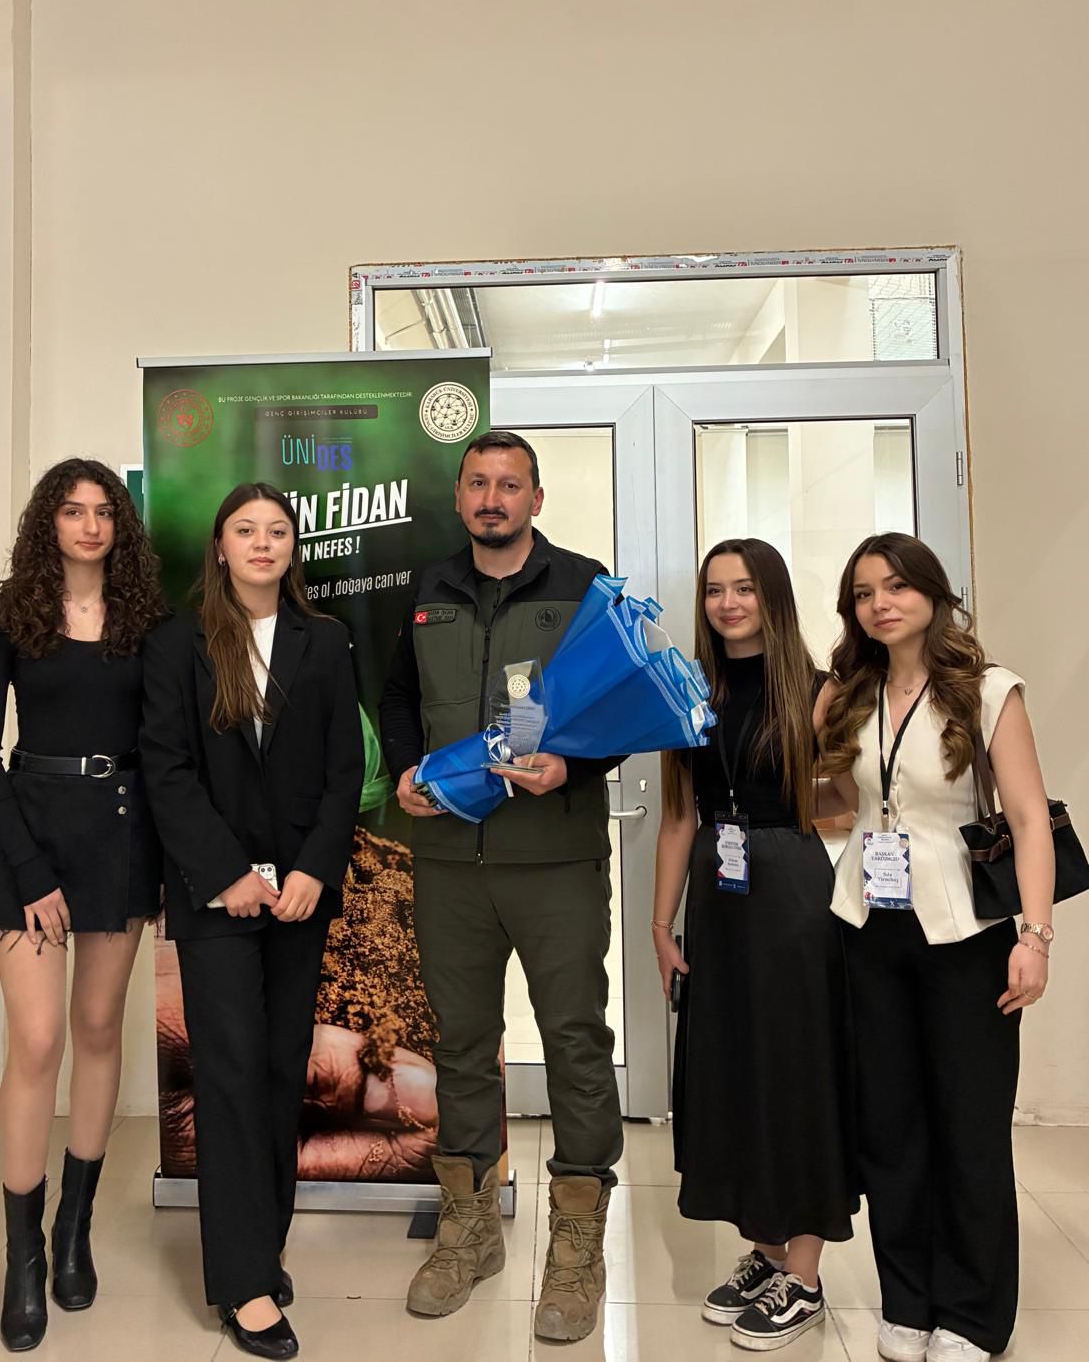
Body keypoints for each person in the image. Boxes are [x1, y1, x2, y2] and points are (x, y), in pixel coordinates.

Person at [378, 429, 623, 1343]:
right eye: (478, 483)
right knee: (463, 1045)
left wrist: (575, 766)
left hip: (555, 863)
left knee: (575, 1045)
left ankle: (577, 1249)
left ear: (536, 498)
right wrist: (405, 768)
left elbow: (620, 704)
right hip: (450, 863)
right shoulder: (424, 589)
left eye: (509, 484)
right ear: (458, 497)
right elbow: (395, 697)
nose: (492, 498)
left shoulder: (585, 585)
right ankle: (469, 1230)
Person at [817, 533, 1055, 1362]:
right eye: (863, 594)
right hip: (867, 926)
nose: (880, 604)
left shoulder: (989, 690)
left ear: (932, 593)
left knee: (969, 1126)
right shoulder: (852, 693)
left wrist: (1036, 935)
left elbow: (1028, 819)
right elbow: (842, 803)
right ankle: (908, 1301)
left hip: (965, 933)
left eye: (896, 587)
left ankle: (974, 1314)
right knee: (890, 1127)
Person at [141, 482, 362, 1360]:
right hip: (217, 895)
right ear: (221, 546)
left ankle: (260, 1248)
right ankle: (243, 1285)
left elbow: (344, 770)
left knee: (278, 1072)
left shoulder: (326, 641)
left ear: (292, 548)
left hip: (300, 895)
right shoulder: (176, 643)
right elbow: (166, 769)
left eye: (277, 531)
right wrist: (226, 874)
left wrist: (313, 868)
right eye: (246, 529)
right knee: (230, 1075)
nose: (262, 543)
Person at [0, 457, 166, 1351]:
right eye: (73, 510)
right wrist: (29, 867)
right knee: (38, 1040)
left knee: (95, 1029)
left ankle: (72, 1231)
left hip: (122, 833)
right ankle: (23, 1259)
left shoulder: (149, 621)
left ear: (120, 525)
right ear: (48, 521)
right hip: (30, 839)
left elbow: (168, 746)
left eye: (104, 511)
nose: (89, 525)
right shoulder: (7, 614)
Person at [654, 538, 857, 1351]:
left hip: (792, 898)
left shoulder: (819, 690)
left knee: (794, 1071)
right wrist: (660, 925)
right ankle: (767, 1252)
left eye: (743, 588)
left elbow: (851, 797)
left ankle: (803, 1276)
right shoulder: (688, 692)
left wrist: (790, 807)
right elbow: (679, 817)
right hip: (718, 894)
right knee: (731, 1070)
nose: (728, 603)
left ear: (772, 597)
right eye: (715, 590)